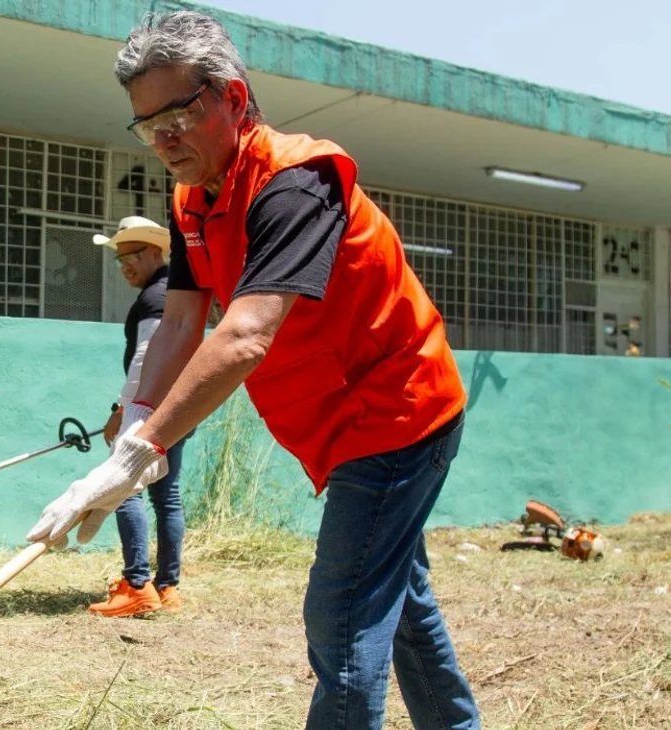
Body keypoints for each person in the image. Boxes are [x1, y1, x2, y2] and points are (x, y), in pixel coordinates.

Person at [27, 10, 481, 730]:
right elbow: (182, 322)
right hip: (337, 422)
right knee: (398, 600)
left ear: (233, 98)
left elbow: (244, 335)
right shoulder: (191, 199)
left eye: (178, 116)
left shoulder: (298, 182)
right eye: (148, 125)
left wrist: (141, 454)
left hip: (399, 412)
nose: (164, 140)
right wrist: (135, 427)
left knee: (342, 617)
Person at [89, 216, 191, 618]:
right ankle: (167, 588)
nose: (123, 266)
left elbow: (147, 359)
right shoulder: (170, 293)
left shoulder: (155, 297)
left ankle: (136, 586)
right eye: (118, 260)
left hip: (148, 410)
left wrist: (121, 410)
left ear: (152, 251)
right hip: (177, 407)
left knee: (124, 488)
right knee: (166, 496)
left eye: (128, 256)